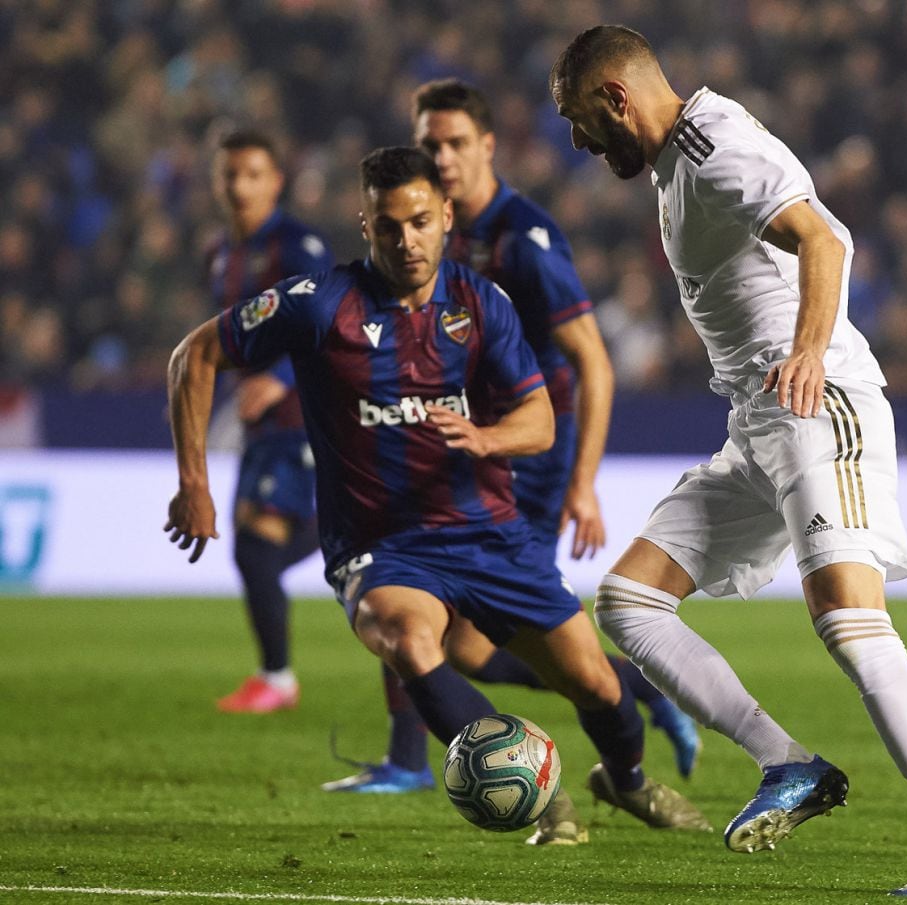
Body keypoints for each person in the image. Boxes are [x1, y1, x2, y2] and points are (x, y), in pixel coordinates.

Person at [549, 25, 907, 897]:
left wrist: (805, 351)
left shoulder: (713, 143)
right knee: (630, 600)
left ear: (615, 97)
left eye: (580, 119)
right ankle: (788, 763)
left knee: (845, 613)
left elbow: (824, 239)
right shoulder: (674, 163)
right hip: (757, 423)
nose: (578, 141)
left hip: (814, 397)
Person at [164, 146, 710, 845]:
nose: (406, 239)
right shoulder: (320, 303)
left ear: (446, 216)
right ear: (365, 224)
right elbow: (195, 355)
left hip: (491, 535)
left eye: (420, 221)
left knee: (598, 685)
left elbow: (539, 420)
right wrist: (194, 484)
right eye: (388, 225)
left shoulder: (482, 304)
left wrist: (487, 439)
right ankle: (539, 794)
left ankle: (627, 781)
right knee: (408, 638)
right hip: (385, 547)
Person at [320, 79, 700, 796]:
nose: (442, 155)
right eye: (430, 143)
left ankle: (625, 705)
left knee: (489, 636)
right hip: (455, 443)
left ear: (487, 146)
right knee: (423, 597)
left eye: (455, 143)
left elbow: (592, 360)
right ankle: (422, 754)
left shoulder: (522, 239)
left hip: (526, 456)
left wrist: (583, 481)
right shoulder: (427, 226)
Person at [206, 129, 333, 713]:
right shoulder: (223, 256)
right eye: (230, 175)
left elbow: (329, 317)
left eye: (252, 175)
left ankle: (277, 678)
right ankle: (276, 675)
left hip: (302, 414)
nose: (239, 187)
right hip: (262, 423)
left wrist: (279, 378)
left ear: (275, 181)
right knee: (250, 549)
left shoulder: (295, 246)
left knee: (257, 548)